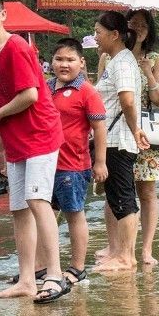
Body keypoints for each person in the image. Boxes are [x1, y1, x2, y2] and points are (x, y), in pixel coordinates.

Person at [0, 0, 68, 303]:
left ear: (3, 15)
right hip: (15, 141)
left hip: (40, 134)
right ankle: (27, 278)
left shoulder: (16, 46)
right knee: (18, 209)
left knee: (37, 201)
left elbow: (29, 95)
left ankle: (54, 274)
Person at [47, 37, 108, 286]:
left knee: (74, 214)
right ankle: (46, 267)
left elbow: (100, 128)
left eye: (70, 59)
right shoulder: (46, 87)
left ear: (81, 63)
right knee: (47, 215)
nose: (64, 64)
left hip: (73, 165)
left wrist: (101, 162)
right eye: (59, 59)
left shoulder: (87, 91)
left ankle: (78, 268)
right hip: (46, 164)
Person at [92, 11, 150, 272]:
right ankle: (117, 252)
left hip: (119, 139)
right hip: (111, 139)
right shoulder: (115, 61)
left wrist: (135, 129)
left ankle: (126, 257)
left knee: (125, 197)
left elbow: (126, 101)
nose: (95, 38)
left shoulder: (124, 63)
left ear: (114, 35)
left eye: (98, 33)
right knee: (115, 195)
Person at [125, 8, 159, 266]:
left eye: (143, 24)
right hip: (118, 131)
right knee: (119, 191)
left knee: (147, 191)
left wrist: (148, 73)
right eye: (133, 23)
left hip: (147, 133)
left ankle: (146, 249)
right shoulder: (111, 56)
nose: (137, 28)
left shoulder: (154, 58)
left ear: (149, 29)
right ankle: (122, 248)